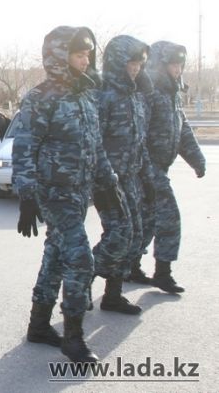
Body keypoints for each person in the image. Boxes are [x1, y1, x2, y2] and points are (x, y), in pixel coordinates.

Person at [13, 26, 121, 363]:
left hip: (80, 192)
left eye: (88, 53)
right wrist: (27, 195)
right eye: (79, 54)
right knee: (79, 258)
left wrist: (109, 183)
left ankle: (39, 326)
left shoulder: (85, 95)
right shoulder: (40, 97)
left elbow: (95, 145)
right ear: (60, 58)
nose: (86, 59)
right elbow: (25, 146)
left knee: (56, 258)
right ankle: (73, 338)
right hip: (54, 194)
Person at [134, 41, 206, 293]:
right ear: (160, 65)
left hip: (160, 167)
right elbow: (136, 133)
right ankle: (163, 274)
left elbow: (182, 128)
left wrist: (196, 159)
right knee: (169, 217)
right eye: (173, 64)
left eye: (180, 64)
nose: (178, 69)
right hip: (147, 167)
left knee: (146, 220)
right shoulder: (148, 92)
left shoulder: (171, 92)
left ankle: (128, 266)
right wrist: (143, 170)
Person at [93, 35, 155, 315]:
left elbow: (139, 141)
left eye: (140, 64)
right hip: (107, 180)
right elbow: (93, 141)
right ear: (118, 63)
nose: (137, 69)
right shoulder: (103, 95)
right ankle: (80, 283)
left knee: (134, 234)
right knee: (118, 234)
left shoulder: (135, 96)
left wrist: (147, 177)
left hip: (130, 178)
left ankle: (112, 295)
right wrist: (105, 179)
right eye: (132, 63)